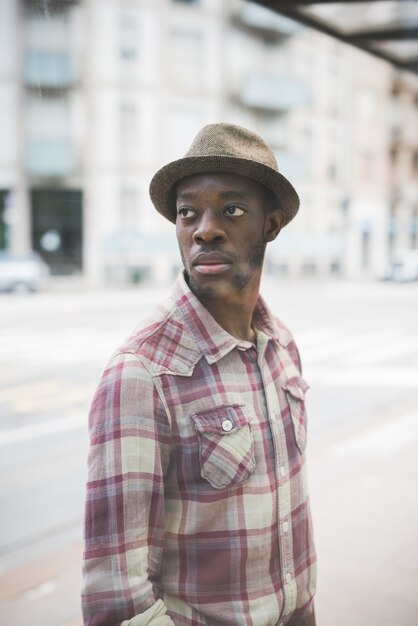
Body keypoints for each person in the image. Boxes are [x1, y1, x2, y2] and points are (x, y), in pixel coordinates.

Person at [81, 123, 317, 626]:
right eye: (188, 212)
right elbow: (118, 596)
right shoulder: (142, 373)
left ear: (271, 225)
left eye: (231, 210)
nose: (204, 228)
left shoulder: (282, 345)